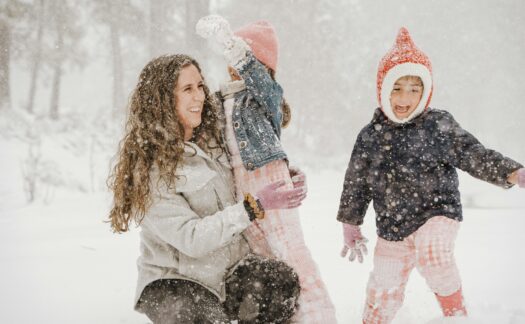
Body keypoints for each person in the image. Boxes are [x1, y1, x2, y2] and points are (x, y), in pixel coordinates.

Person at [337, 27, 525, 324]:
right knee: (381, 290)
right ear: (383, 90)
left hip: (437, 212)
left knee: (434, 254)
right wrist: (350, 223)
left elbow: (473, 154)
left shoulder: (438, 125)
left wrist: (513, 173)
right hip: (393, 225)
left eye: (415, 89)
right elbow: (357, 182)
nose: (405, 97)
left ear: (426, 92)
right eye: (397, 88)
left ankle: (457, 315)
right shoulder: (371, 136)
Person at [107, 53, 308, 323]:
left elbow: (251, 154)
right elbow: (192, 239)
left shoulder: (215, 135)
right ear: (163, 99)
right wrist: (253, 207)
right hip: (175, 281)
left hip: (225, 273)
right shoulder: (151, 169)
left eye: (200, 86)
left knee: (278, 281)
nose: (199, 96)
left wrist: (281, 173)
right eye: (187, 89)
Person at [197, 15, 338, 323]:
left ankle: (318, 315)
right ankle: (289, 316)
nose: (234, 63)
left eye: (244, 56)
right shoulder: (221, 98)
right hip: (244, 190)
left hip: (268, 178)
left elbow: (260, 81)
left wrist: (231, 45)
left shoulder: (265, 95)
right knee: (265, 258)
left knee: (291, 252)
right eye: (232, 56)